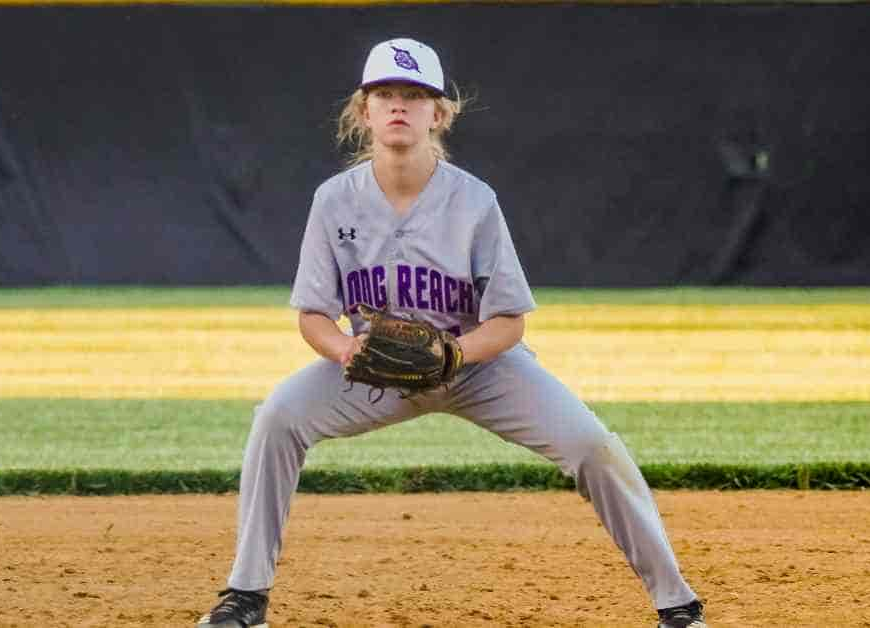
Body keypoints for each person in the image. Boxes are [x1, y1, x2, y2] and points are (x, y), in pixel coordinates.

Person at [197, 37, 706, 628]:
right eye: (386, 93)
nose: (399, 106)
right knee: (278, 417)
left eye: (415, 96)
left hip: (479, 369)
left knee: (593, 446)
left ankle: (677, 603)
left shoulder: (474, 201)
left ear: (439, 114)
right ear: (364, 110)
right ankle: (246, 596)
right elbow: (313, 314)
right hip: (374, 373)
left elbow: (510, 321)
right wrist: (345, 348)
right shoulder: (335, 201)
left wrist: (454, 354)